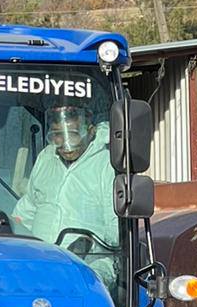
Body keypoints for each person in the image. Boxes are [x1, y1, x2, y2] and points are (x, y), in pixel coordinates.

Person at [12, 100, 120, 257]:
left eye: (72, 134)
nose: (64, 143)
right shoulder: (47, 157)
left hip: (90, 261)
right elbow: (27, 209)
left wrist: (91, 247)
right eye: (57, 134)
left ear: (90, 131)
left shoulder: (107, 164)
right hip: (38, 258)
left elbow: (115, 230)